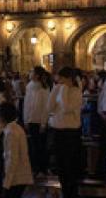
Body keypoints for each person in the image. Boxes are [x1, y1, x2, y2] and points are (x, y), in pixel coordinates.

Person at [49, 66, 84, 198]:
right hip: (58, 129)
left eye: (61, 78)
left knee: (70, 164)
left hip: (70, 131)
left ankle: (72, 193)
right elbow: (50, 107)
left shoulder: (76, 92)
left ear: (69, 78)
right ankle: (65, 191)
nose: (58, 80)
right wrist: (55, 90)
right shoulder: (58, 88)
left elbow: (65, 108)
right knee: (61, 165)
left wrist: (63, 89)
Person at [1, 101, 33, 198]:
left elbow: (12, 158)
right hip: (19, 175)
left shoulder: (11, 132)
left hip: (16, 177)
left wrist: (7, 181)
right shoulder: (17, 128)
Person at [23, 66, 51, 176]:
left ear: (37, 75)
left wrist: (43, 123)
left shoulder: (43, 88)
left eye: (32, 72)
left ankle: (42, 168)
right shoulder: (29, 86)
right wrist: (26, 118)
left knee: (41, 146)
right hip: (31, 119)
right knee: (33, 146)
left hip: (39, 121)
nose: (30, 73)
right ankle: (35, 168)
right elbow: (27, 104)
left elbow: (45, 107)